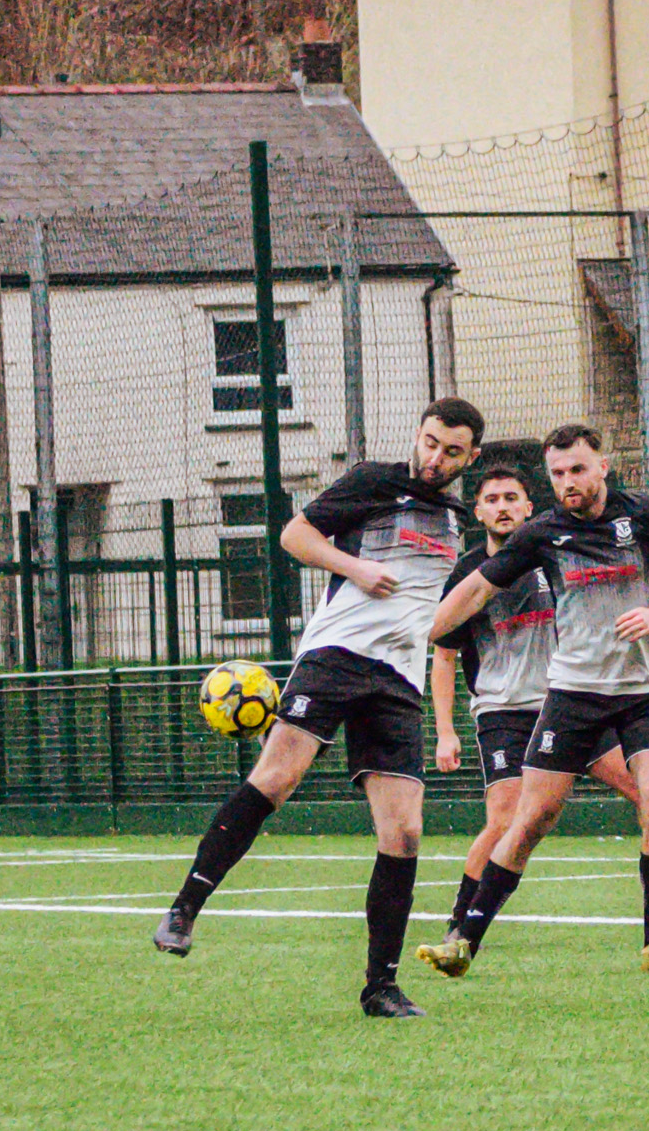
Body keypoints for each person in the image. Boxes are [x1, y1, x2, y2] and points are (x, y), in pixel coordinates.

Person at [150, 398, 485, 1018]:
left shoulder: (457, 519)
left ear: (472, 457)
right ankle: (185, 908)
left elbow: (441, 603)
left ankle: (380, 986)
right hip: (336, 654)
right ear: (418, 435)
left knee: (405, 833)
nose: (437, 458)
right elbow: (295, 533)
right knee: (276, 779)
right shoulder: (373, 481)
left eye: (452, 451)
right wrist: (353, 566)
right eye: (431, 442)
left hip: (398, 681)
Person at [424, 424, 649, 978]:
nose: (568, 482)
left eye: (577, 469)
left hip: (646, 691)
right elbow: (477, 589)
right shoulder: (541, 533)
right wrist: (431, 628)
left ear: (603, 466)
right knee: (531, 817)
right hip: (573, 694)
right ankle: (464, 941)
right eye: (557, 474)